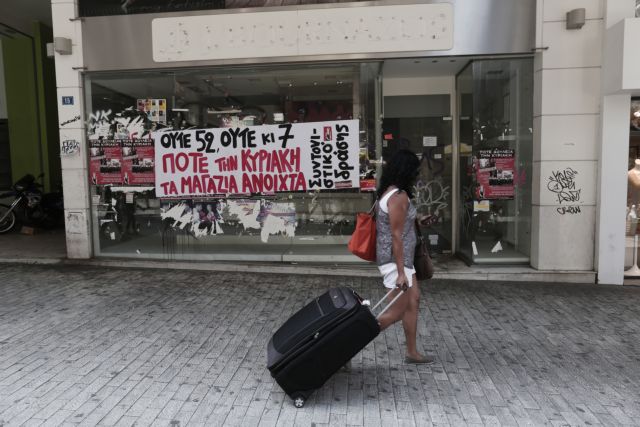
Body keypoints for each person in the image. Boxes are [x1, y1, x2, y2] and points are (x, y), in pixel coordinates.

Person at [376, 149, 434, 365]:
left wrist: (418, 218)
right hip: (395, 261)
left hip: (404, 260)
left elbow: (399, 224)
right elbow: (396, 235)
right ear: (407, 171)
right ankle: (347, 344)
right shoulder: (398, 196)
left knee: (413, 302)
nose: (417, 174)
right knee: (396, 312)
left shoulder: (393, 192)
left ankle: (412, 352)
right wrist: (401, 273)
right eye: (415, 170)